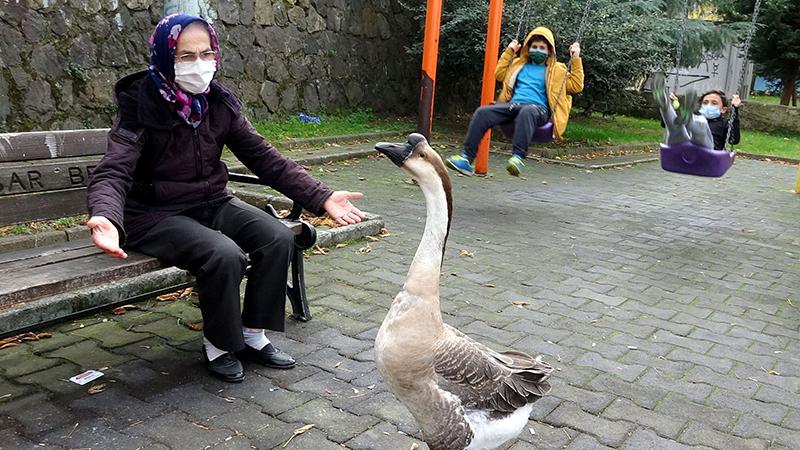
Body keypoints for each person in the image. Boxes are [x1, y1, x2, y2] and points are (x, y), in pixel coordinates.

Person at [86, 14, 365, 383]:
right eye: (186, 56)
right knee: (224, 254)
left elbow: (264, 157)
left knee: (278, 236)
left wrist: (322, 196)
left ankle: (252, 335)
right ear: (165, 56)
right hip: (153, 213)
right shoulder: (141, 105)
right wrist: (106, 216)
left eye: (206, 54)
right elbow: (114, 169)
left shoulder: (219, 103)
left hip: (210, 202)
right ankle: (218, 344)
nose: (199, 64)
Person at [445, 26, 584, 177]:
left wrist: (575, 59)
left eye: (542, 48)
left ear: (549, 51)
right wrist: (510, 51)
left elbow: (576, 86)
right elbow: (499, 74)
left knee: (527, 111)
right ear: (528, 48)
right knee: (482, 112)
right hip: (513, 105)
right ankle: (466, 158)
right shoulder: (518, 64)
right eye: (534, 47)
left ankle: (517, 157)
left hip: (538, 110)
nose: (538, 50)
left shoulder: (558, 70)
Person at [654, 73, 741, 150]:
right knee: (676, 129)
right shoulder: (696, 116)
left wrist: (735, 109)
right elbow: (664, 124)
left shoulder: (724, 123)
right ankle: (665, 105)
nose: (708, 105)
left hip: (708, 155)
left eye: (714, 103)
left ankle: (685, 118)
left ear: (723, 109)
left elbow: (734, 140)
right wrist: (674, 106)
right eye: (705, 102)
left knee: (700, 124)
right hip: (684, 151)